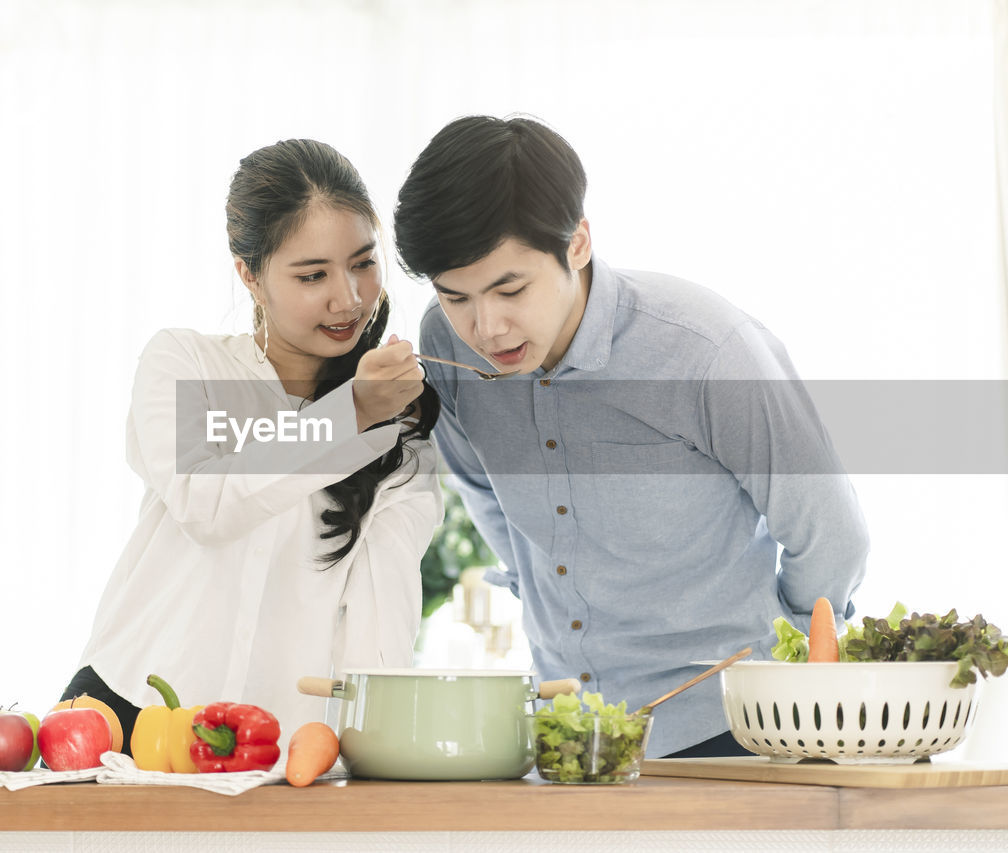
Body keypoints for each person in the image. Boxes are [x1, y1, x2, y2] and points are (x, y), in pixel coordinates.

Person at [393, 115, 869, 759]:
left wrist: (779, 654)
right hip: (570, 725)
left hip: (735, 726)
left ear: (579, 243)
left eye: (512, 288)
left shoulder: (704, 349)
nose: (487, 327)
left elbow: (830, 530)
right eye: (456, 297)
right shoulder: (444, 341)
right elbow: (478, 479)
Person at [65, 139, 442, 753]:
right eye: (312, 275)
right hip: (127, 712)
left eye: (363, 262)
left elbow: (379, 627)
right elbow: (206, 504)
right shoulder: (184, 363)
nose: (347, 298)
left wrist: (371, 752)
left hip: (274, 744)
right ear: (250, 274)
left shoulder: (401, 438)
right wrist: (350, 415)